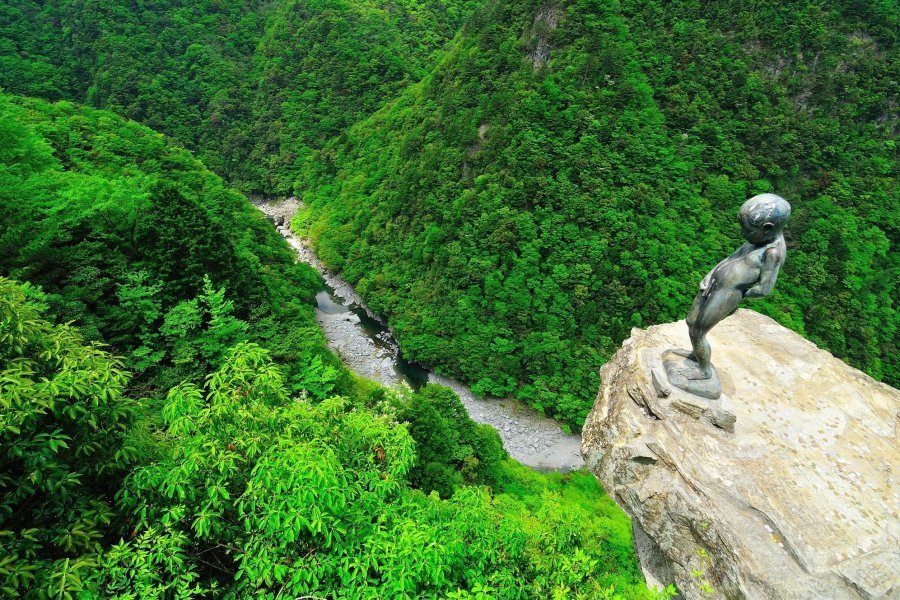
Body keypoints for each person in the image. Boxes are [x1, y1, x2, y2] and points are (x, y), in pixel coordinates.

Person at [683, 193, 791, 381]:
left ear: (767, 228)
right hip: (715, 285)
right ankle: (696, 354)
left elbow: (765, 288)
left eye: (747, 230)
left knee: (698, 331)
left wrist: (737, 291)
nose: (743, 234)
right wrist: (709, 275)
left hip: (728, 293)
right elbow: (730, 258)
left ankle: (704, 372)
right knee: (691, 321)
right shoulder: (756, 240)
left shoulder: (773, 252)